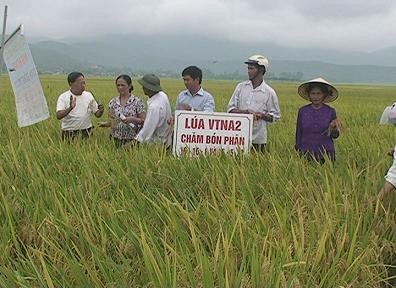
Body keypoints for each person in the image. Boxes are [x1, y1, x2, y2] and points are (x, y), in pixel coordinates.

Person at [227, 55, 281, 152]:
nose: (248, 71)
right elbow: (230, 110)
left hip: (258, 139)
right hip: (238, 137)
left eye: (251, 68)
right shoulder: (240, 87)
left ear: (261, 70)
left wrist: (261, 115)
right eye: (248, 68)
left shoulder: (269, 92)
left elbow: (275, 116)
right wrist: (245, 112)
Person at [295, 77, 341, 163]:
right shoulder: (303, 111)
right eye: (313, 93)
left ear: (324, 95)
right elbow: (299, 132)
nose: (316, 97)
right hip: (306, 153)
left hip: (326, 154)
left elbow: (335, 135)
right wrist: (298, 149)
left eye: (319, 93)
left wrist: (334, 128)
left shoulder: (331, 111)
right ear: (309, 94)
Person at [98, 75, 146, 147]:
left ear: (129, 86)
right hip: (115, 139)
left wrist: (133, 119)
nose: (120, 87)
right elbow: (111, 121)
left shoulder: (137, 102)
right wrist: (105, 124)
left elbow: (144, 122)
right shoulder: (113, 102)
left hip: (132, 141)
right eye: (118, 85)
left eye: (123, 85)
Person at [56, 72, 104, 140]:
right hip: (69, 133)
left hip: (87, 131)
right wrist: (70, 108)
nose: (83, 85)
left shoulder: (89, 95)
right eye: (80, 83)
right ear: (71, 83)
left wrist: (101, 110)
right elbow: (58, 116)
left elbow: (97, 114)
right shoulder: (63, 97)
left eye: (84, 83)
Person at [135, 74, 172, 146]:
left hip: (156, 143)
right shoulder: (162, 95)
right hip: (165, 139)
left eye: (144, 86)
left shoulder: (154, 107)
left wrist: (132, 144)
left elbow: (146, 131)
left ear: (148, 88)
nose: (142, 88)